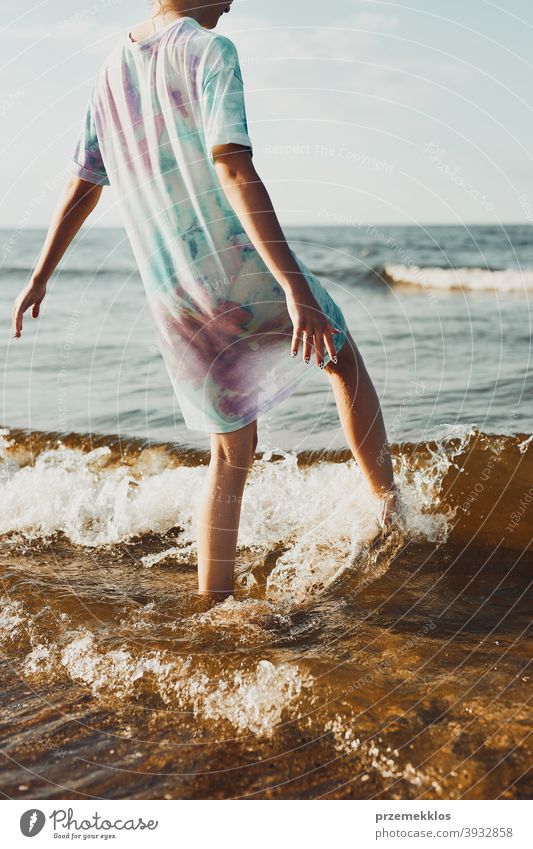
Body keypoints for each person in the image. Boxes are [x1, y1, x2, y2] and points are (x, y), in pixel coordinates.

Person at [11, 0, 400, 600]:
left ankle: (214, 602)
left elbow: (83, 182)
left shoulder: (110, 71)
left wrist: (40, 274)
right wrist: (296, 286)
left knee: (231, 447)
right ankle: (389, 515)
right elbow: (234, 168)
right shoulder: (210, 51)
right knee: (340, 353)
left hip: (177, 301)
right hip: (239, 272)